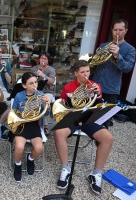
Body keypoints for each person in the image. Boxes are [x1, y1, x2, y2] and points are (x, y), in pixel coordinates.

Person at [54, 60, 113, 195]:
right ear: (76, 73)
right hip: (73, 117)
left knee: (108, 138)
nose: (86, 74)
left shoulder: (95, 85)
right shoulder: (68, 87)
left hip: (90, 118)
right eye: (82, 72)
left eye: (88, 71)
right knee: (58, 133)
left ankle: (96, 174)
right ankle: (65, 169)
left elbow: (100, 105)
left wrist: (98, 95)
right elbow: (62, 103)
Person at [12, 72, 50, 182]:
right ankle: (18, 164)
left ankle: (30, 159)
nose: (35, 86)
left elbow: (46, 115)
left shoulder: (40, 95)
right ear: (24, 85)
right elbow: (13, 112)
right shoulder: (19, 96)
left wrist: (47, 106)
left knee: (39, 148)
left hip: (33, 124)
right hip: (21, 124)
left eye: (36, 83)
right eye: (31, 83)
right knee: (19, 147)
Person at [92, 18, 136, 104]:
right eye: (115, 30)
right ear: (112, 30)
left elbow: (128, 68)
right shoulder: (103, 45)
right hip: (95, 84)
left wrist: (117, 56)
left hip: (110, 89)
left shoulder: (130, 49)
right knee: (88, 113)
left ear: (126, 31)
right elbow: (95, 63)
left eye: (120, 30)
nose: (117, 32)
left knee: (104, 116)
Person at [31, 52, 56, 134]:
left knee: (45, 102)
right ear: (39, 59)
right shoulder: (34, 68)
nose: (43, 60)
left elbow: (51, 82)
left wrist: (43, 75)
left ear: (48, 60)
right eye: (42, 58)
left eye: (45, 59)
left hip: (47, 91)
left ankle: (45, 126)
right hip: (35, 91)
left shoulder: (51, 69)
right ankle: (32, 123)